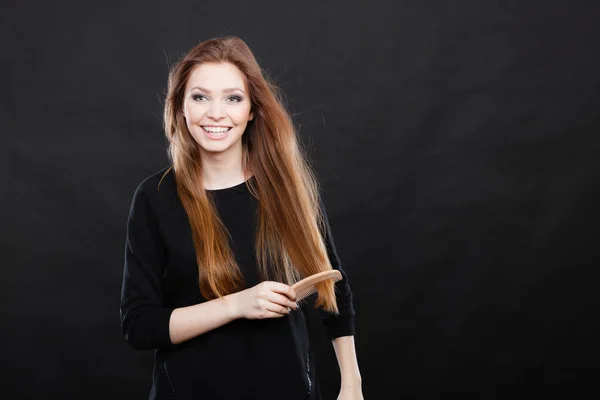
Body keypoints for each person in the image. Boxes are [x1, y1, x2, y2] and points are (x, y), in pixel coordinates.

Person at [120, 36, 363, 400]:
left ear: (252, 110)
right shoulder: (154, 198)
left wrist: (351, 384)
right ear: (181, 108)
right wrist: (237, 305)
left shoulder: (288, 191)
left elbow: (334, 291)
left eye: (232, 98)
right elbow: (139, 326)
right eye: (200, 97)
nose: (216, 113)